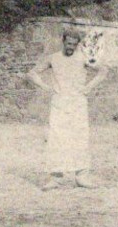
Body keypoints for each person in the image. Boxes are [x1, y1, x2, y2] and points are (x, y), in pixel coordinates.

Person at [28, 28, 108, 190]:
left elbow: (103, 70)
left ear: (78, 44)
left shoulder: (84, 58)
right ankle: (56, 177)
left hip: (78, 102)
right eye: (69, 43)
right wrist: (45, 86)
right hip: (59, 103)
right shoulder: (53, 58)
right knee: (57, 138)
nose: (71, 46)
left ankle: (82, 176)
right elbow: (32, 73)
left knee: (80, 137)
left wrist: (88, 87)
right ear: (63, 41)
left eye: (74, 44)